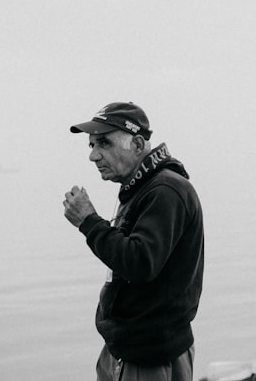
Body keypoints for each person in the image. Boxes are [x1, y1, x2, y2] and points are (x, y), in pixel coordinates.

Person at [63, 102, 205, 381]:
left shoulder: (165, 190)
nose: (93, 155)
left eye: (103, 143)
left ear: (138, 144)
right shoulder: (144, 187)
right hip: (132, 347)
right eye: (91, 145)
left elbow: (140, 263)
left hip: (149, 354)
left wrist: (89, 221)